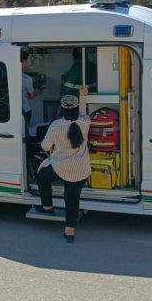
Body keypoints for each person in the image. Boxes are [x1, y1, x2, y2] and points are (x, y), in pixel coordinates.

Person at [33, 86, 91, 243]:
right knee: (72, 199)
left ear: (61, 109)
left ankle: (47, 207)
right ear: (76, 108)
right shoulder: (85, 122)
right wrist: (83, 96)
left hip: (60, 168)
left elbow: (45, 147)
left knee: (41, 176)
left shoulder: (56, 126)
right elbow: (83, 112)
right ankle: (69, 232)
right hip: (82, 169)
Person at [21, 50, 35, 131]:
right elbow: (31, 96)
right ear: (23, 62)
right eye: (27, 61)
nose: (28, 64)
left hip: (11, 112)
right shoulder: (27, 79)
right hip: (25, 111)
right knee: (25, 133)